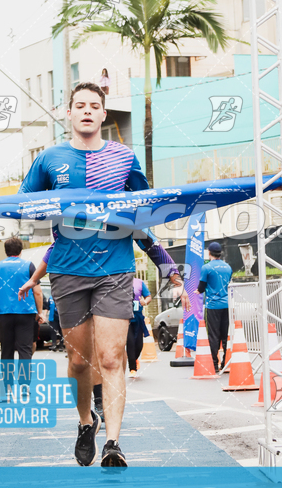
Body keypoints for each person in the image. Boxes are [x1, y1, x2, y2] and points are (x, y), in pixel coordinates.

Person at [18, 81, 185, 468]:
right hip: (67, 272)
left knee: (111, 357)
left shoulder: (125, 158)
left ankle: (113, 442)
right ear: (69, 112)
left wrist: (164, 263)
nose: (88, 110)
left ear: (104, 114)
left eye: (95, 105)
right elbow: (25, 207)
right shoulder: (49, 159)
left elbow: (142, 214)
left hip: (115, 269)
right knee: (80, 363)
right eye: (80, 105)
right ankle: (85, 422)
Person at [0, 237, 43, 360]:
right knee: (25, 348)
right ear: (21, 250)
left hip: (4, 312)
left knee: (6, 348)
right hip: (25, 312)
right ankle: (24, 379)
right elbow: (37, 292)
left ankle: (8, 379)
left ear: (5, 251)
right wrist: (40, 312)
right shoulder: (29, 266)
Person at [197, 241, 232, 373]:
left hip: (212, 305)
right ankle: (225, 362)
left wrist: (196, 291)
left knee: (213, 335)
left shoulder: (206, 268)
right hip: (226, 304)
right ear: (220, 253)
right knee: (225, 334)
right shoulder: (228, 267)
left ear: (209, 253)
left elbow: (201, 287)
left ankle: (214, 363)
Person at [127, 278, 151, 377]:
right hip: (125, 318)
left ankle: (135, 359)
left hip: (138, 317)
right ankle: (132, 369)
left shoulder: (139, 283)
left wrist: (144, 302)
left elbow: (148, 297)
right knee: (130, 342)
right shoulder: (119, 280)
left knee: (139, 345)